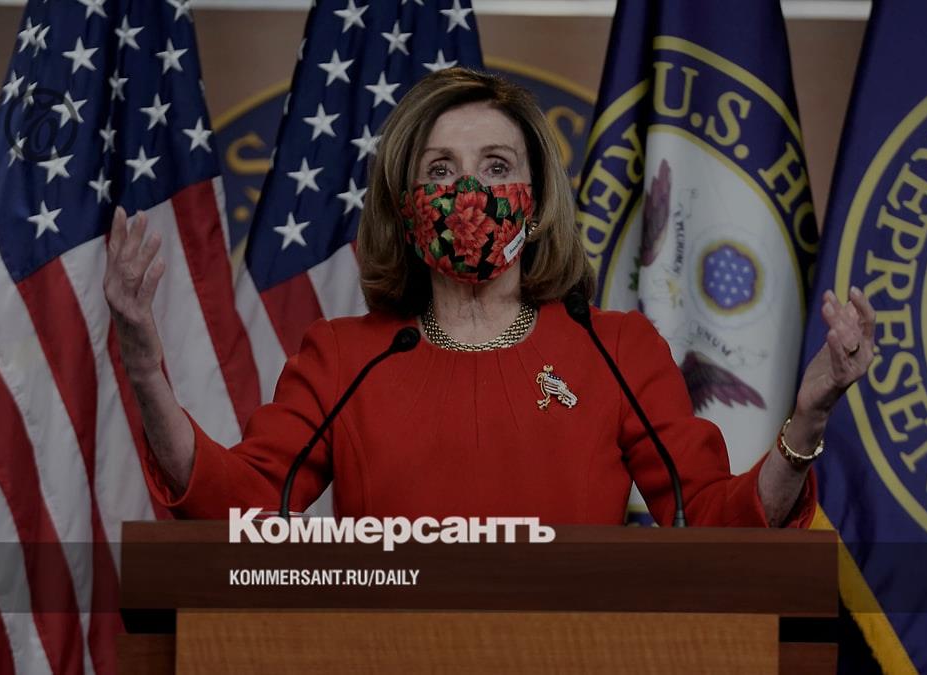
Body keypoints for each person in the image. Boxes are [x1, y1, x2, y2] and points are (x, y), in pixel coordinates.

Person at [104, 68, 875, 527]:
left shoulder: (615, 349)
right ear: (406, 208)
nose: (468, 190)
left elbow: (713, 519)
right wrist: (143, 367)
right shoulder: (343, 357)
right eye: (440, 171)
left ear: (536, 205)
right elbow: (240, 506)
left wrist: (808, 417)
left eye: (496, 166)